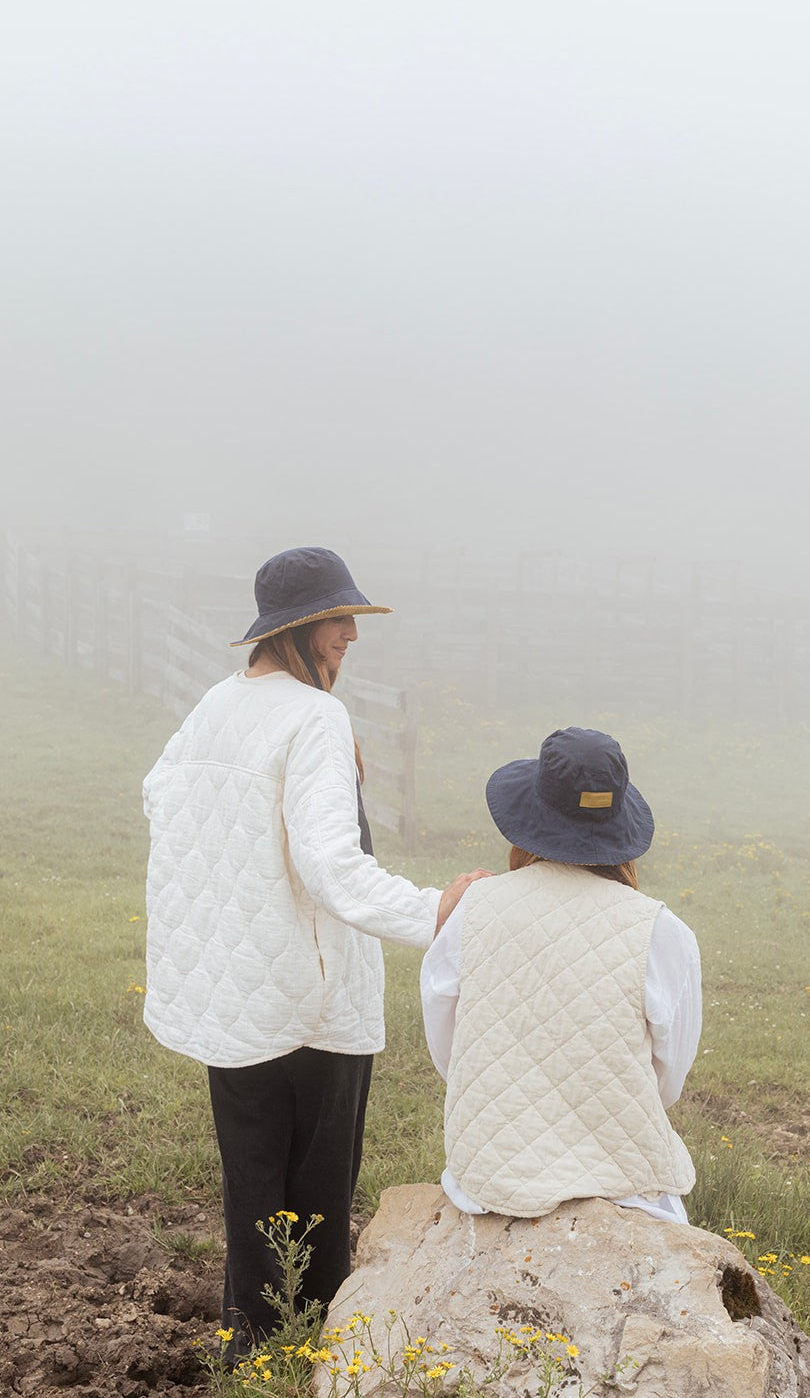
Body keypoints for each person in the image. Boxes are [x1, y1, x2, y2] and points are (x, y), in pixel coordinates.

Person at [143, 546, 486, 1356]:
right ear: (297, 628)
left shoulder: (217, 705)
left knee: (252, 1182)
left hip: (232, 988)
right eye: (338, 620)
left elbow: (162, 796)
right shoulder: (314, 717)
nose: (350, 637)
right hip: (312, 997)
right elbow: (332, 865)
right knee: (317, 1193)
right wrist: (435, 911)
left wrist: (240, 885)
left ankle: (252, 1349)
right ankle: (310, 1356)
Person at [420, 726, 701, 1224]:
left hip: (488, 1176)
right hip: (624, 1187)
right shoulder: (662, 931)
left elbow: (449, 1049)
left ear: (529, 811)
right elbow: (668, 1078)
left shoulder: (473, 909)